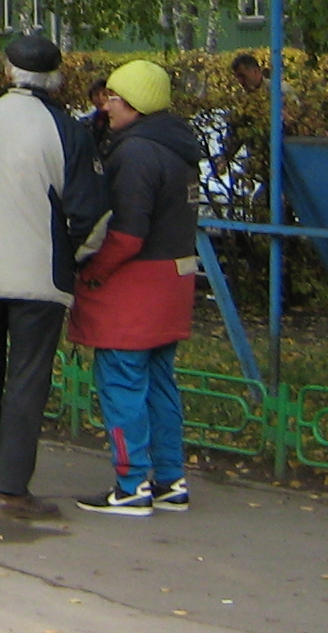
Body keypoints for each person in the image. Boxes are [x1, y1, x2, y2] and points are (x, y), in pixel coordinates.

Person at [0, 32, 106, 519]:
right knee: (28, 380)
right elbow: (91, 215)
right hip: (40, 279)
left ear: (7, 72)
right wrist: (72, 262)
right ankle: (10, 489)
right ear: (56, 78)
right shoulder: (67, 131)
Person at [72, 60, 205, 516]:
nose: (105, 107)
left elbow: (127, 234)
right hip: (174, 280)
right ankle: (171, 480)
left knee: (122, 381)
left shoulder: (134, 154)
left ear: (133, 105)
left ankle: (131, 486)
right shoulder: (179, 146)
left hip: (133, 287)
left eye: (112, 98)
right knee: (160, 383)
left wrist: (93, 272)